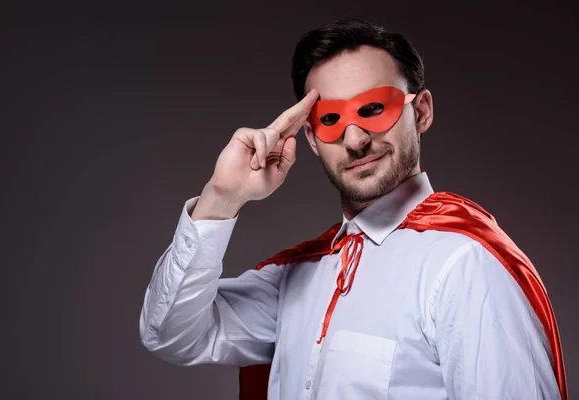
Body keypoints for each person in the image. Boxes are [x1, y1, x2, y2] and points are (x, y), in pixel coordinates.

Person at [139, 17, 567, 400]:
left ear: (421, 112)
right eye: (331, 119)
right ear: (310, 139)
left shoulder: (465, 266)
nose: (356, 138)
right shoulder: (298, 278)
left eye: (374, 109)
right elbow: (171, 334)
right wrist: (221, 197)